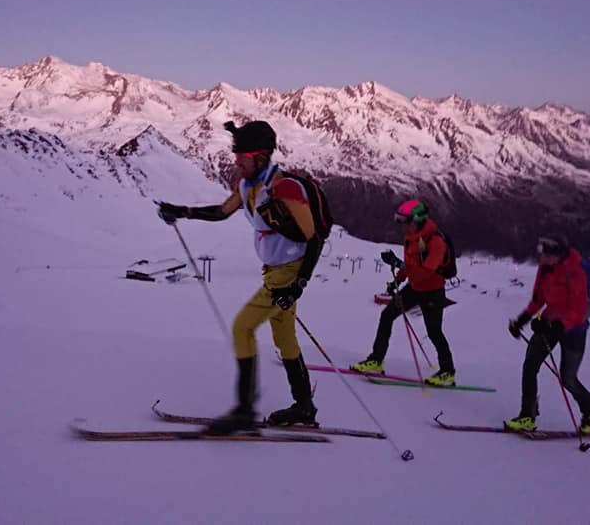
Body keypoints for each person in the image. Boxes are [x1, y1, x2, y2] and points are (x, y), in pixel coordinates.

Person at [156, 120, 326, 434]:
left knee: (242, 328)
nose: (236, 161)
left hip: (288, 274)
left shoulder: (285, 188)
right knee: (284, 338)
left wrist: (297, 286)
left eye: (242, 157)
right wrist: (182, 211)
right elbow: (222, 212)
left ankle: (244, 411)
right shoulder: (247, 186)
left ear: (260, 157)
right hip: (275, 271)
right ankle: (304, 407)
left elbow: (313, 239)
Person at [350, 199, 457, 386]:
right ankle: (376, 359)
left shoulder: (436, 241)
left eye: (405, 221)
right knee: (387, 316)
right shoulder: (412, 237)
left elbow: (426, 271)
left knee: (434, 332)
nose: (402, 225)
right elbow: (411, 265)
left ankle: (448, 372)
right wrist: (397, 280)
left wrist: (398, 264)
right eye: (399, 220)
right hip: (415, 288)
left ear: (419, 220)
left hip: (432, 291)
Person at [506, 234, 590, 432]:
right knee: (530, 366)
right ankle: (527, 416)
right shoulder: (545, 269)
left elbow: (577, 311)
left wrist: (558, 325)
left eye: (545, 256)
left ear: (558, 255)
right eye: (541, 255)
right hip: (549, 323)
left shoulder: (575, 273)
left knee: (568, 378)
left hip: (573, 329)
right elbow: (538, 299)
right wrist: (521, 321)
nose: (541, 259)